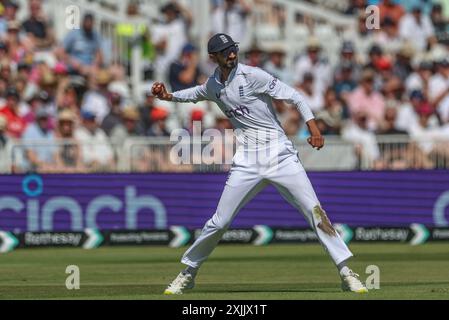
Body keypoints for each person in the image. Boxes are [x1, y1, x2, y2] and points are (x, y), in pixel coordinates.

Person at [152, 33, 368, 295]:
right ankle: (187, 274)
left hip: (280, 155)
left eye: (233, 50)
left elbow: (295, 96)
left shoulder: (253, 75)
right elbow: (195, 93)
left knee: (315, 212)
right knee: (219, 223)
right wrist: (169, 96)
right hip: (247, 161)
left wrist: (313, 128)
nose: (231, 55)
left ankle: (346, 272)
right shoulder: (213, 85)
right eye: (225, 52)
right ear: (213, 58)